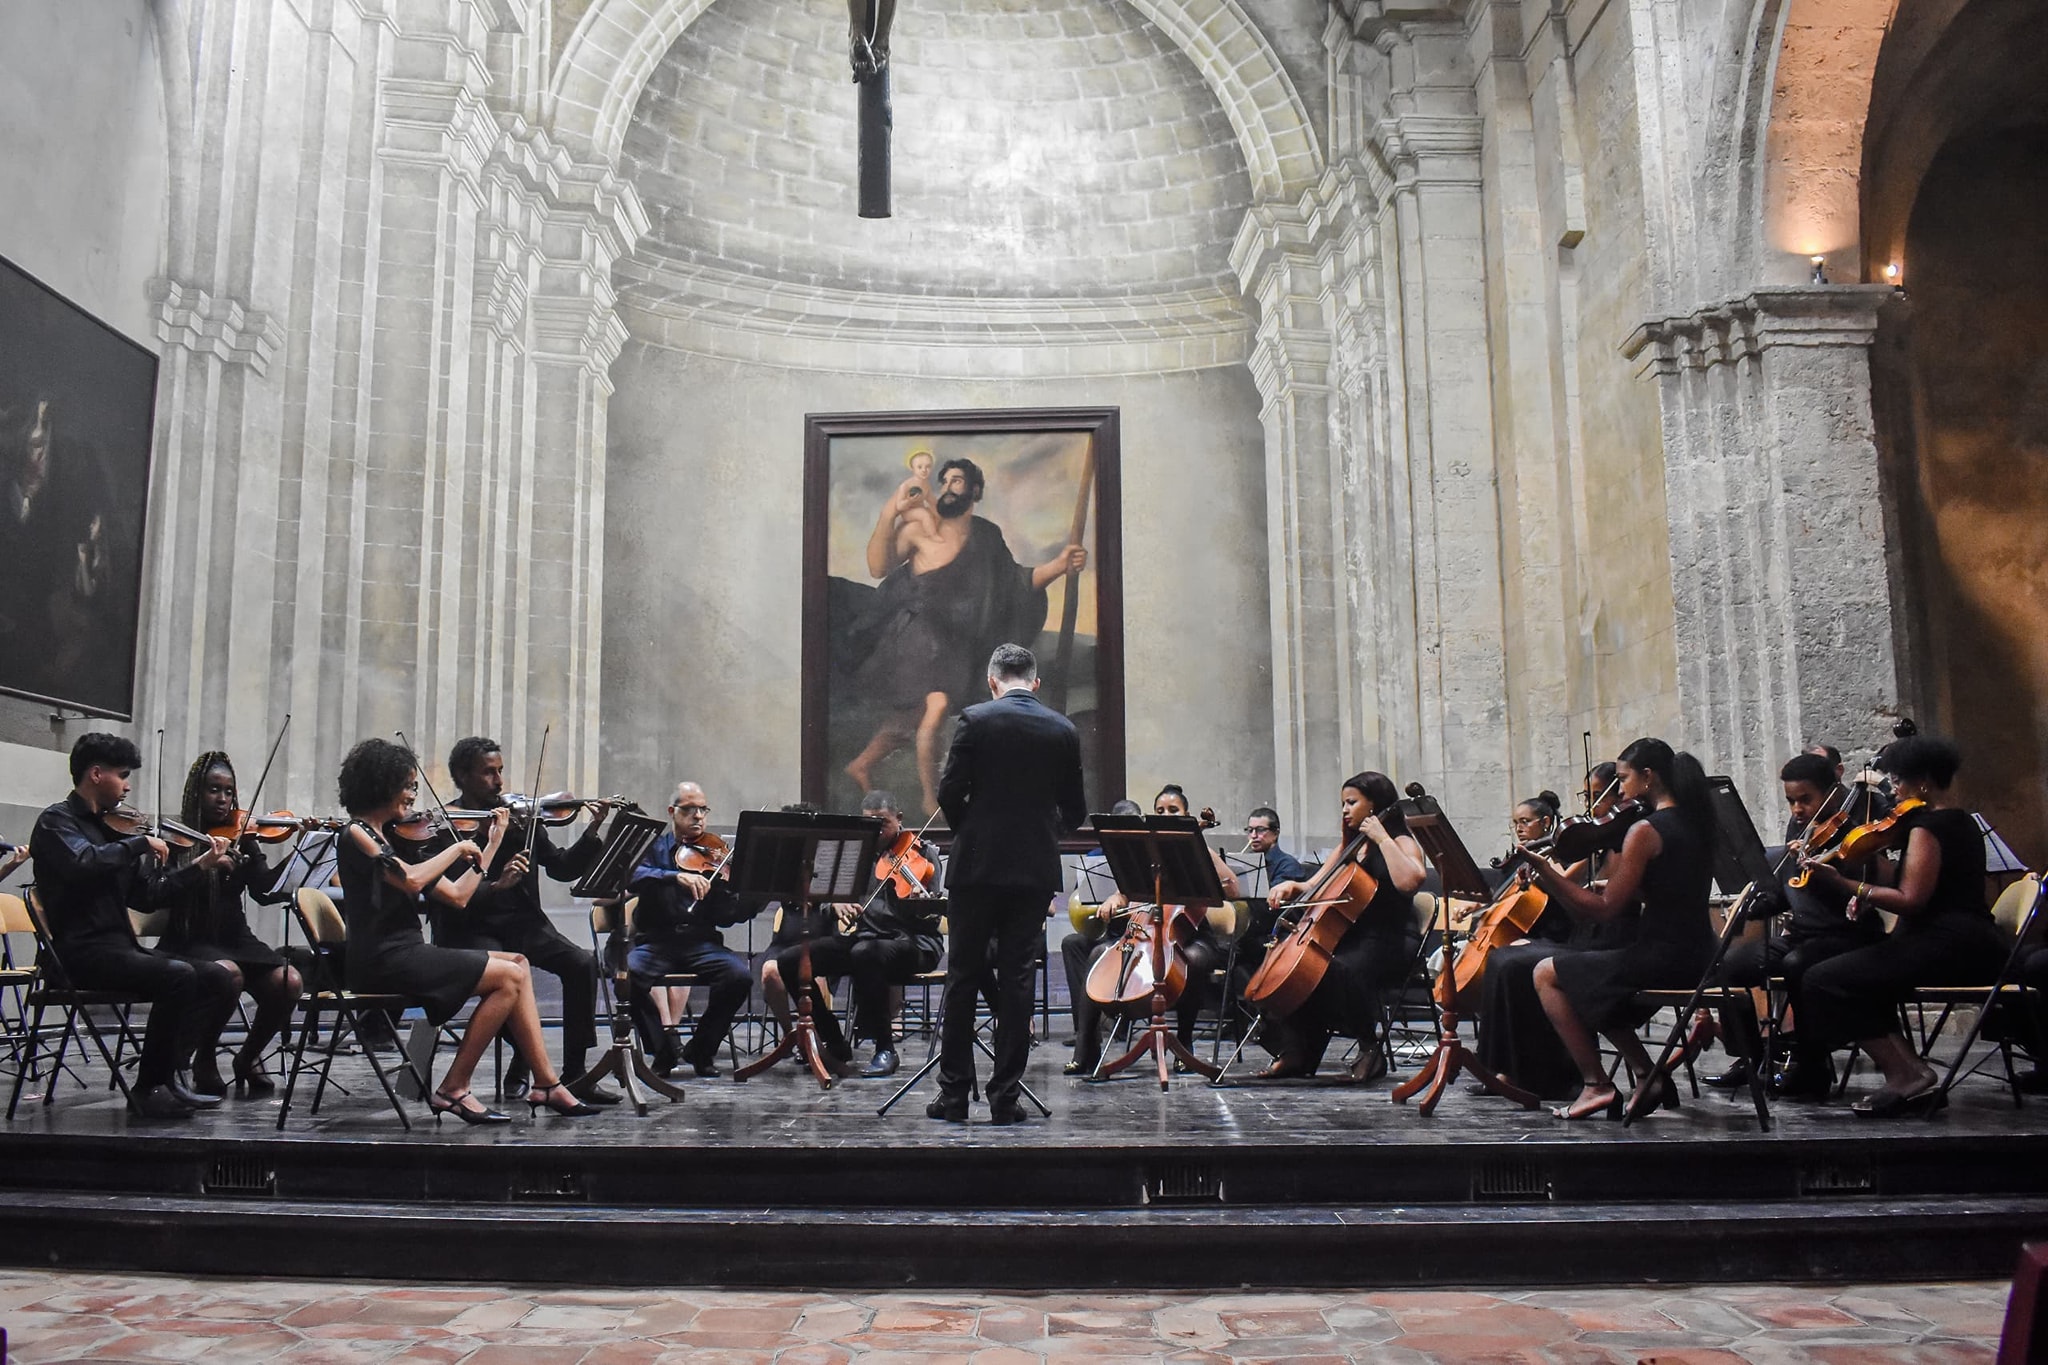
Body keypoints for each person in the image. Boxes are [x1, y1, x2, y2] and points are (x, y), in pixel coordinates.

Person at [335, 738, 599, 1123]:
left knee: (518, 964)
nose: (412, 795)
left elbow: (457, 895)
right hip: (382, 959)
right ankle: (455, 1087)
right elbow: (410, 881)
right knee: (509, 977)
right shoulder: (357, 834)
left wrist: (489, 847)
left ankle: (546, 1082)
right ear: (382, 784)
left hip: (406, 952)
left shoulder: (388, 838)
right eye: (407, 786)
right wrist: (456, 850)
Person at [842, 457, 1088, 813]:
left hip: (954, 647)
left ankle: (861, 764)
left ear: (974, 490)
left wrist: (1060, 565)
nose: (947, 488)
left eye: (956, 481)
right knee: (936, 705)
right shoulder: (918, 530)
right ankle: (932, 799)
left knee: (910, 715)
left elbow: (1016, 583)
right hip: (917, 639)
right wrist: (889, 514)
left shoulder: (986, 535)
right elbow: (877, 566)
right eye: (944, 482)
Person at [28, 733, 238, 1119]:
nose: (127, 786)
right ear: (95, 774)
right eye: (122, 775)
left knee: (217, 977)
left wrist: (199, 867)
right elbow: (83, 864)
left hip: (119, 948)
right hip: (79, 954)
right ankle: (148, 1088)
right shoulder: (56, 822)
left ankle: (172, 1073)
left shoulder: (113, 830)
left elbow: (148, 896)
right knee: (177, 975)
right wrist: (139, 846)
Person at [1798, 734, 2006, 1116]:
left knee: (1823, 980)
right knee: (1858, 978)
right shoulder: (1960, 821)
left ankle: (1905, 1075)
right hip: (1965, 939)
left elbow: (1912, 899)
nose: (1893, 790)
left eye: (1896, 780)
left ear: (1921, 781)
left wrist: (1844, 884)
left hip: (1950, 944)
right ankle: (1911, 1074)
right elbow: (1910, 880)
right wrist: (1867, 882)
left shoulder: (1928, 827)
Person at [929, 643, 1088, 1123]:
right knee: (1018, 983)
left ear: (992, 680)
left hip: (976, 869)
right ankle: (1005, 1099)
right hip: (1033, 872)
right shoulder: (1063, 729)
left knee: (962, 978)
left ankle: (954, 1096)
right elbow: (1075, 810)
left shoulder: (975, 720)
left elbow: (948, 793)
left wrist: (973, 834)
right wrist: (1042, 836)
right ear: (1035, 683)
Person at [1526, 738, 1718, 1120]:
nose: (1619, 790)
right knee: (1591, 982)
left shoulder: (1645, 830)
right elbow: (1668, 886)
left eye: (1624, 779)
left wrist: (1548, 874)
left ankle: (1596, 1084)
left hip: (1665, 956)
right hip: (1701, 952)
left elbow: (1604, 911)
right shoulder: (1698, 821)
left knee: (1546, 974)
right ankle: (1649, 1074)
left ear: (1648, 778)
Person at [441, 737, 616, 1101]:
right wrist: (498, 883)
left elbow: (563, 868)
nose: (500, 781)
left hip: (524, 924)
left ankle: (575, 1073)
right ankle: (525, 1057)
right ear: (463, 776)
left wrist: (592, 831)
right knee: (506, 978)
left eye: (500, 771)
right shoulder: (450, 827)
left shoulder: (521, 818)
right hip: (473, 929)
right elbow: (454, 897)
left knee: (582, 964)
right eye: (489, 773)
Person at [1704, 753, 1887, 1097]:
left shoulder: (1854, 832)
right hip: (1805, 934)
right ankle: (1751, 1058)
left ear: (1831, 793)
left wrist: (1827, 871)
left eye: (1805, 800)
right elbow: (1789, 896)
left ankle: (1813, 1065)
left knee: (1797, 966)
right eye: (1791, 801)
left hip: (1847, 935)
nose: (1797, 810)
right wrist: (1752, 906)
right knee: (1729, 964)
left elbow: (1859, 893)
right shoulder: (1801, 827)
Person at [1472, 766, 1641, 1101]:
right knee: (1503, 958)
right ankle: (1506, 1069)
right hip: (1584, 935)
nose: (1592, 808)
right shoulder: (1598, 840)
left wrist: (1547, 870)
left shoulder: (1626, 839)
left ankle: (1559, 1078)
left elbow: (1598, 899)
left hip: (1609, 940)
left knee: (1515, 962)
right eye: (1587, 799)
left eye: (1597, 798)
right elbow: (1573, 884)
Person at [1257, 772, 1427, 1083]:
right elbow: (1313, 883)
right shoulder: (1350, 846)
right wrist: (1292, 887)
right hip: (1356, 936)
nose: (1345, 810)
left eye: (1352, 802)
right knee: (1302, 969)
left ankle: (1369, 1047)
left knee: (1339, 969)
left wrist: (1382, 838)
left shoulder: (1401, 842)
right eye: (1343, 803)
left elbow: (1411, 881)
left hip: (1392, 938)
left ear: (1375, 806)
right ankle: (1298, 1050)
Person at [156, 751, 305, 1097]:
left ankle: (248, 1057)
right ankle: (204, 1056)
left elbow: (265, 891)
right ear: (197, 792)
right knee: (229, 974)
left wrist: (299, 852)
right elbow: (162, 893)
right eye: (214, 790)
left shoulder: (244, 834)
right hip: (189, 936)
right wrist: (204, 864)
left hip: (234, 935)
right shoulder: (178, 837)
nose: (223, 800)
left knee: (289, 981)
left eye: (229, 792)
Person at [1062, 784, 1239, 1076]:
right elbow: (1125, 892)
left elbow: (1232, 887)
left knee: (1191, 961)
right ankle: (1086, 1049)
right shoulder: (1148, 854)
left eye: (1173, 810)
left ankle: (1185, 1044)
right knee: (1096, 954)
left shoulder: (1200, 850)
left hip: (1190, 937)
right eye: (1160, 811)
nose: (1166, 815)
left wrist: (1205, 861)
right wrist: (1114, 900)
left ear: (1186, 815)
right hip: (1146, 930)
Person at [772, 791, 945, 1078]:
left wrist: (917, 903)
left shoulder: (923, 853)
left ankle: (885, 1048)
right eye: (871, 824)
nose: (877, 830)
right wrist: (834, 903)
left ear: (899, 819)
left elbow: (934, 913)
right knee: (790, 961)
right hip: (865, 941)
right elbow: (823, 894)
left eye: (883, 823)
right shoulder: (857, 854)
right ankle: (835, 1041)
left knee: (865, 953)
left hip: (914, 943)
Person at [623, 783, 753, 1077]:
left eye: (703, 810)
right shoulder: (654, 847)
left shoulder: (715, 856)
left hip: (702, 943)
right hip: (656, 943)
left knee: (739, 977)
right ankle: (663, 1048)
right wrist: (674, 877)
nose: (698, 817)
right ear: (673, 812)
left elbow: (728, 917)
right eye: (689, 809)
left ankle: (702, 1049)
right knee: (627, 978)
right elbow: (632, 875)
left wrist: (751, 899)